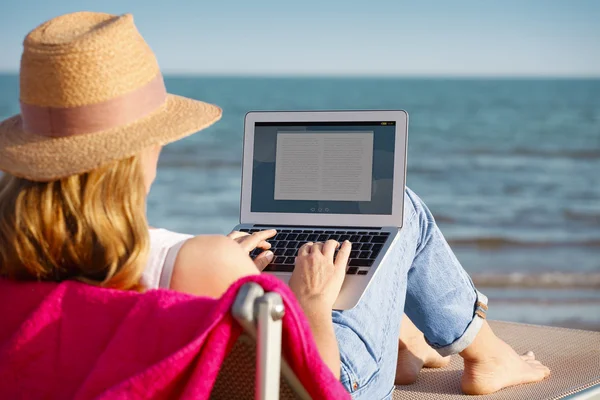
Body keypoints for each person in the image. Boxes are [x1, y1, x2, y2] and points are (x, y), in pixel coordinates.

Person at [0, 11, 549, 400]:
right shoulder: (201, 264)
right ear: (144, 148)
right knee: (399, 207)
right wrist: (309, 306)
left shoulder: (19, 278)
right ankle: (482, 353)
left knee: (278, 246)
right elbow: (317, 387)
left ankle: (402, 337)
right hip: (341, 380)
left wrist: (237, 266)